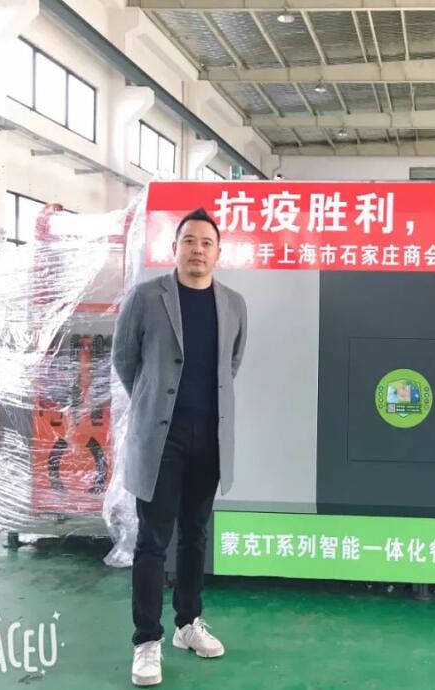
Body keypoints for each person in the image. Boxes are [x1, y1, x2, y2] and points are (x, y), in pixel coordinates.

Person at [112, 208, 248, 686]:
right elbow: (124, 359)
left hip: (209, 436)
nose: (197, 250)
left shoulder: (233, 303)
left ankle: (188, 623)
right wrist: (154, 403)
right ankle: (146, 640)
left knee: (195, 534)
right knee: (153, 540)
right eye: (189, 241)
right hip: (161, 438)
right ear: (174, 248)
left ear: (218, 252)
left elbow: (232, 362)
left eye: (206, 243)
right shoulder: (147, 297)